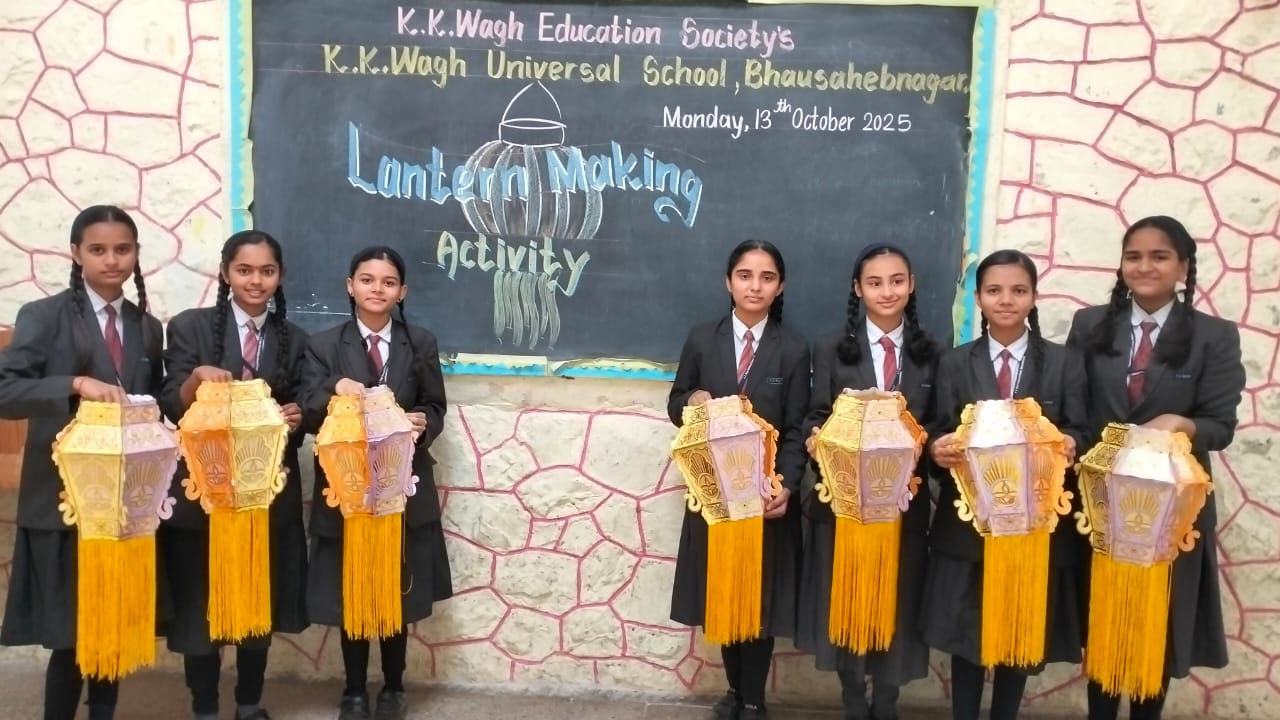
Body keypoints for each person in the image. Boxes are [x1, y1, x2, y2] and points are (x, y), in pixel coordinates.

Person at [1066, 216, 1244, 720]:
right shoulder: (1089, 326)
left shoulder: (1213, 336)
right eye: (1134, 256)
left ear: (1184, 267)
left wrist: (1182, 424)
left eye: (1159, 256)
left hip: (1171, 510)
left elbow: (1221, 426)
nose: (1144, 266)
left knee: (1156, 630)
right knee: (1104, 622)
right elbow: (1074, 407)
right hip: (1101, 507)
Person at [0, 205, 162, 720]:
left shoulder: (147, 327)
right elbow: (5, 390)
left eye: (123, 249)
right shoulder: (43, 316)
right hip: (64, 501)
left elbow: (154, 403)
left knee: (110, 624)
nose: (112, 260)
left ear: (136, 254)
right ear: (76, 254)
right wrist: (73, 383)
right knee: (70, 635)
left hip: (124, 504)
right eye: (98, 249)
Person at [922, 249, 1089, 720]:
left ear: (1033, 297)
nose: (1006, 300)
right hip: (971, 522)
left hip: (1036, 523)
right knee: (968, 631)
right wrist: (936, 449)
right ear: (978, 298)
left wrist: (1072, 442)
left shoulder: (1064, 363)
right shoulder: (954, 363)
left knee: (1021, 628)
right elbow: (936, 428)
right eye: (994, 290)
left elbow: (1084, 428)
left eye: (1018, 290)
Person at [159, 230, 310, 720]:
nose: (255, 281)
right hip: (204, 495)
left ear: (280, 276)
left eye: (267, 271)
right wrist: (195, 379)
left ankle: (249, 703)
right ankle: (205, 707)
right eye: (244, 270)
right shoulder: (191, 327)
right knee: (201, 605)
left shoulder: (295, 338)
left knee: (254, 600)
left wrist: (297, 416)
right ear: (226, 273)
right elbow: (170, 405)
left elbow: (308, 404)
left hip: (266, 495)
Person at [300, 246, 453, 720]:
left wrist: (423, 422)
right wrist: (335, 387)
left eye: (388, 282)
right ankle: (352, 691)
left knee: (395, 590)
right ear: (350, 286)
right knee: (353, 590)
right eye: (367, 280)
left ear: (402, 291)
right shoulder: (324, 345)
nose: (377, 289)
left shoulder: (419, 342)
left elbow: (435, 406)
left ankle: (393, 687)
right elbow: (307, 408)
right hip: (345, 489)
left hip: (399, 487)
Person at [667, 239, 811, 720]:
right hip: (715, 496)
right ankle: (734, 690)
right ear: (728, 282)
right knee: (724, 596)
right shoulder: (701, 339)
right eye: (745, 276)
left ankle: (753, 699)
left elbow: (798, 426)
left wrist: (787, 484)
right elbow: (675, 402)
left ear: (780, 286)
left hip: (765, 497)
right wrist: (691, 401)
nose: (755, 286)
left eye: (767, 277)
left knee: (759, 598)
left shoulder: (793, 349)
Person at [796, 244, 940, 720]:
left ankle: (886, 703)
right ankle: (854, 699)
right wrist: (817, 437)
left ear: (911, 285)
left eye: (897, 281)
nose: (887, 292)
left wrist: (921, 443)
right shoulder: (830, 347)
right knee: (848, 603)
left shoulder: (933, 352)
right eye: (875, 283)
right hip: (845, 506)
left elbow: (941, 423)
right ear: (858, 289)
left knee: (896, 604)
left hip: (902, 506)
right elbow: (816, 414)